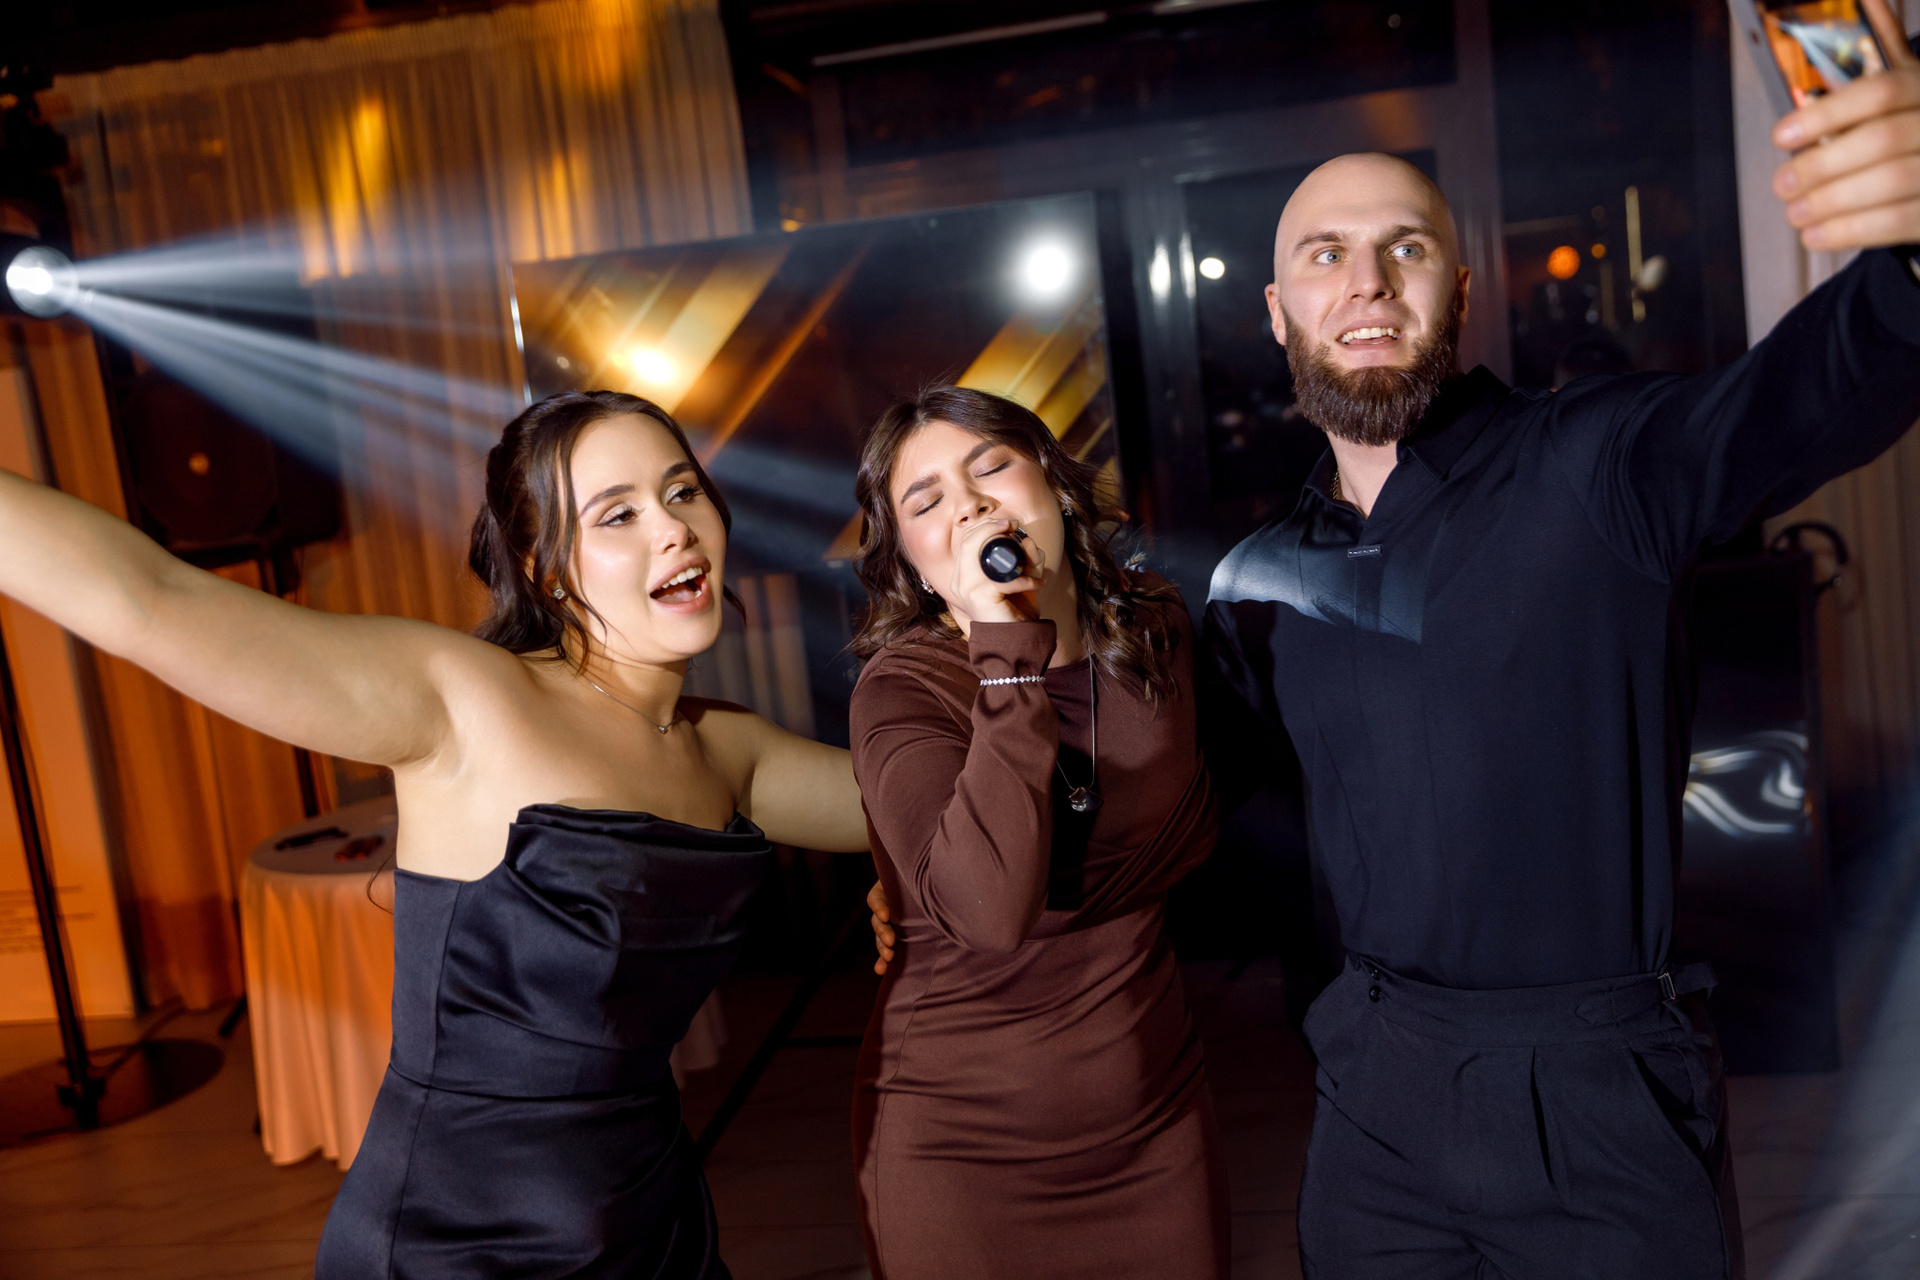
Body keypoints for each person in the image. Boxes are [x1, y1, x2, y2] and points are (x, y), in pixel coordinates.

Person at [1200, 11, 1920, 1277]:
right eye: (1326, 254)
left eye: (1406, 247)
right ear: (1277, 311)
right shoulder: (1259, 575)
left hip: (1596, 1093)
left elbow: (1802, 390)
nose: (1367, 282)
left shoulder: (1597, 464)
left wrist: (1911, 258)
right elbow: (1180, 792)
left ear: (1461, 289)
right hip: (1372, 1096)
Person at [0, 389, 866, 1278]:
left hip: (653, 1221)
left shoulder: (730, 751)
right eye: (619, 514)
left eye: (682, 492)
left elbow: (924, 809)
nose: (674, 528)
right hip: (463, 1239)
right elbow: (147, 599)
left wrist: (910, 884)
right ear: (543, 568)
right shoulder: (469, 700)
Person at [847, 387, 1227, 1280]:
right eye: (926, 501)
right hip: (963, 1148)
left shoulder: (1154, 624)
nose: (970, 506)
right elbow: (985, 912)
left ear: (1055, 487)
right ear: (912, 561)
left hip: (1156, 1121)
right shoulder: (902, 689)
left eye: (991, 467)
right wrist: (1006, 657)